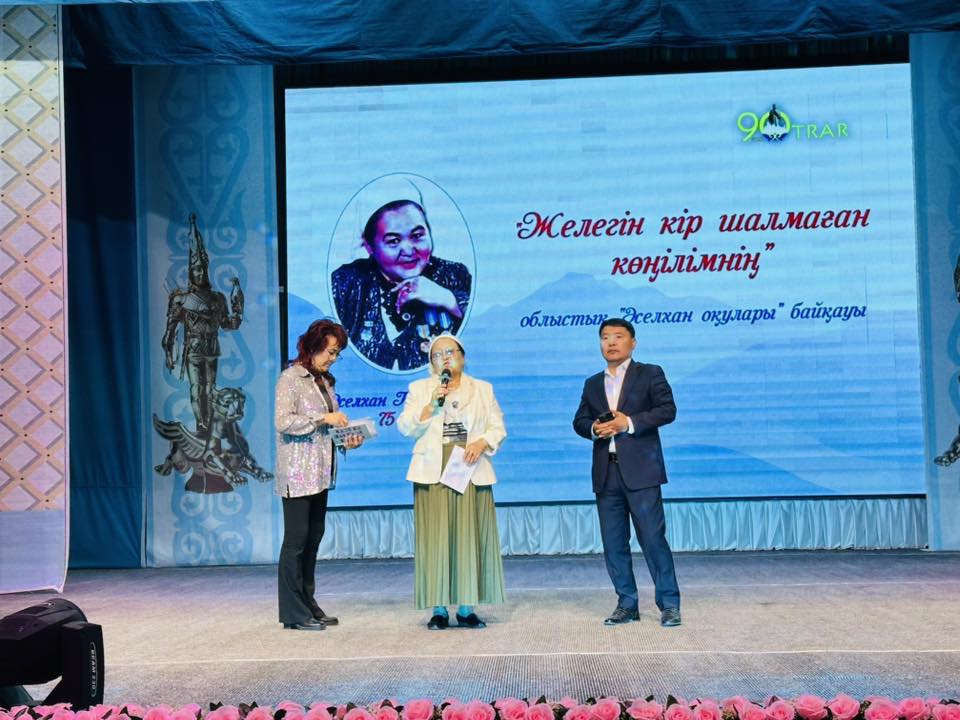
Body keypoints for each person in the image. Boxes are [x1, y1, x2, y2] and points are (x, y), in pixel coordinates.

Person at [572, 318, 682, 627]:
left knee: (653, 539)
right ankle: (627, 603)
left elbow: (667, 410)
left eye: (618, 336)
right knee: (614, 543)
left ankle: (669, 604)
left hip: (642, 472)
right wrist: (594, 429)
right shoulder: (593, 383)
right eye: (605, 337)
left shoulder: (650, 373)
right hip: (606, 473)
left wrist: (628, 423)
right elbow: (579, 421)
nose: (611, 342)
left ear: (633, 342)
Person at [397, 333, 506, 628]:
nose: (444, 358)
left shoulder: (483, 389)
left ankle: (467, 608)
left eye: (450, 352)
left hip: (469, 466)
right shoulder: (420, 389)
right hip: (432, 469)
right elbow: (405, 427)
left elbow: (498, 427)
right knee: (435, 539)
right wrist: (431, 406)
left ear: (462, 356)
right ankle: (439, 608)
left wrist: (482, 442)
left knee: (469, 537)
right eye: (437, 354)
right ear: (431, 362)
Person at [274, 319, 363, 631]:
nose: (333, 358)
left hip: (321, 473)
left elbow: (327, 429)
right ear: (312, 346)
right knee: (296, 541)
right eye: (330, 351)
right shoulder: (291, 378)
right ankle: (293, 613)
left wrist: (347, 439)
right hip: (297, 473)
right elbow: (283, 421)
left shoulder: (324, 381)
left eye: (337, 353)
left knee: (313, 539)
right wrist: (324, 417)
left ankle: (308, 603)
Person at [331, 180, 471, 371]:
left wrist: (449, 299)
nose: (408, 250)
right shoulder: (345, 283)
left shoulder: (454, 275)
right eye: (393, 241)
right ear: (370, 246)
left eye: (417, 235)